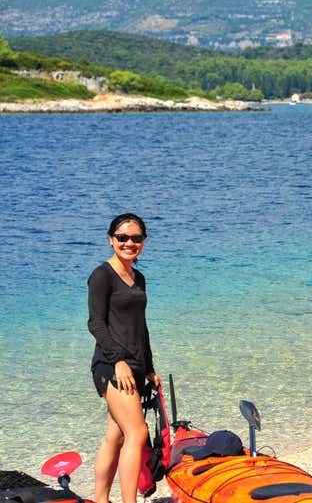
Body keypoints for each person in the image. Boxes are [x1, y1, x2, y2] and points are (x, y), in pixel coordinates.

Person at [88, 213, 161, 503]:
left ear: (143, 242)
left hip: (135, 366)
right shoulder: (102, 275)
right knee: (137, 431)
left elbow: (140, 327)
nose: (129, 243)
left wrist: (150, 368)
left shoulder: (138, 277)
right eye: (122, 237)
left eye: (136, 238)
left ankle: (100, 499)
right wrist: (118, 360)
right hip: (110, 365)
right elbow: (96, 323)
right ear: (111, 239)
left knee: (116, 436)